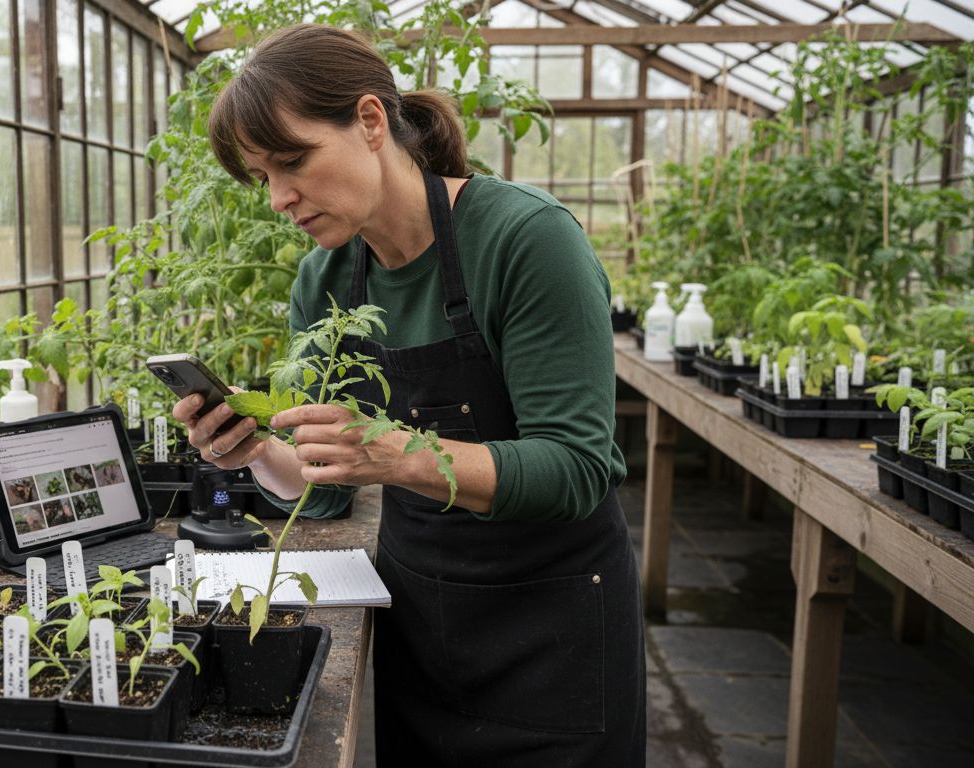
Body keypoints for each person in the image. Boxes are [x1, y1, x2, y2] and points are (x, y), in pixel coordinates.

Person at [169, 24, 644, 765]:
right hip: (423, 627)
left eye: (292, 161)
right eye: (262, 178)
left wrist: (397, 457)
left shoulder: (524, 239)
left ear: (369, 121)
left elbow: (576, 468)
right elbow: (323, 494)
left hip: (554, 632)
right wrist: (255, 451)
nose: (279, 198)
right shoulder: (326, 280)